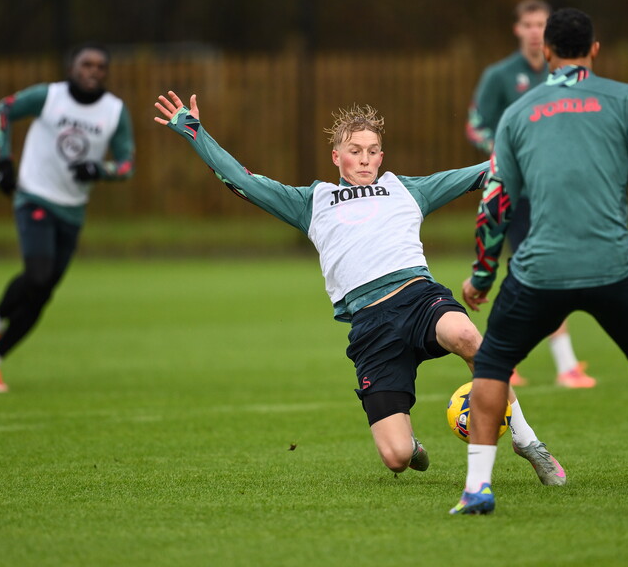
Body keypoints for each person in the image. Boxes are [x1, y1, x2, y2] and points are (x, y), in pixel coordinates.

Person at [153, 93, 565, 484]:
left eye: (372, 151)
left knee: (467, 336)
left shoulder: (407, 189)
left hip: (419, 297)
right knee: (397, 458)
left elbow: (480, 173)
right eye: (355, 150)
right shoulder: (310, 201)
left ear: (381, 156)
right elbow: (241, 179)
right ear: (336, 156)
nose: (364, 158)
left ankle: (528, 442)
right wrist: (194, 131)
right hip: (371, 326)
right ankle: (409, 442)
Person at [450, 8, 628, 515]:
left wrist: (481, 277)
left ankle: (477, 488)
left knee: (493, 364)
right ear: (595, 50)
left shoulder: (519, 112)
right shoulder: (626, 99)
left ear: (549, 53)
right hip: (616, 266)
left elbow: (495, 204)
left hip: (540, 269)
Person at [0, 43, 135, 393]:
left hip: (72, 210)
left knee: (43, 294)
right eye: (86, 64)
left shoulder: (115, 111)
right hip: (34, 197)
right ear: (72, 66)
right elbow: (2, 111)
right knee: (37, 274)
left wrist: (99, 169)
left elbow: (126, 164)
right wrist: (3, 161)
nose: (93, 71)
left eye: (100, 66)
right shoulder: (50, 97)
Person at [466, 0, 595, 389]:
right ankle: (548, 363)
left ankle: (506, 357)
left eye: (543, 24)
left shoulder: (565, 74)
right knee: (535, 269)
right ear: (517, 29)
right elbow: (475, 127)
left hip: (555, 191)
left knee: (541, 270)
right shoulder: (500, 75)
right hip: (516, 191)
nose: (536, 31)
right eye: (529, 24)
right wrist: (505, 152)